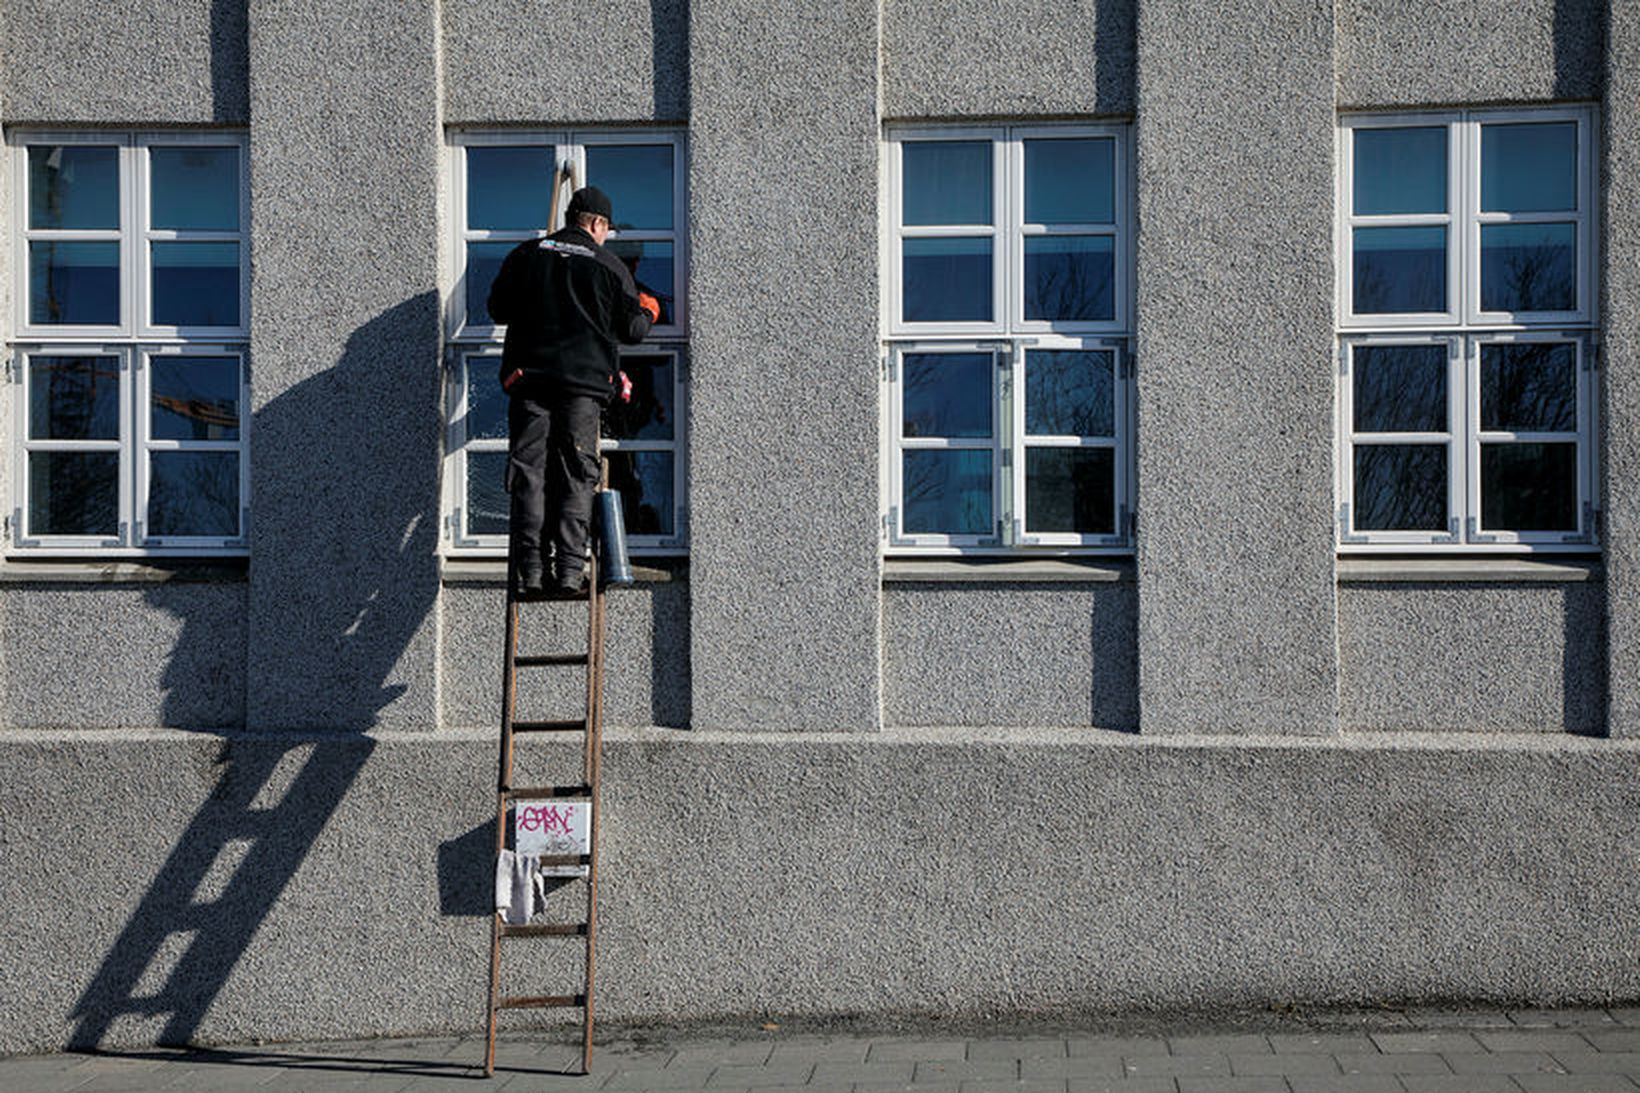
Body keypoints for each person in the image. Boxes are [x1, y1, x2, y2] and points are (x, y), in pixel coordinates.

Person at [487, 186, 659, 598]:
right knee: (577, 474)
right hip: (583, 388)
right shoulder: (608, 265)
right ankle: (568, 570)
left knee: (529, 473)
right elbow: (632, 331)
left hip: (529, 382)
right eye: (606, 230)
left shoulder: (526, 256)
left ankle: (529, 569)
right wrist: (649, 308)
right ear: (597, 224)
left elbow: (497, 309)